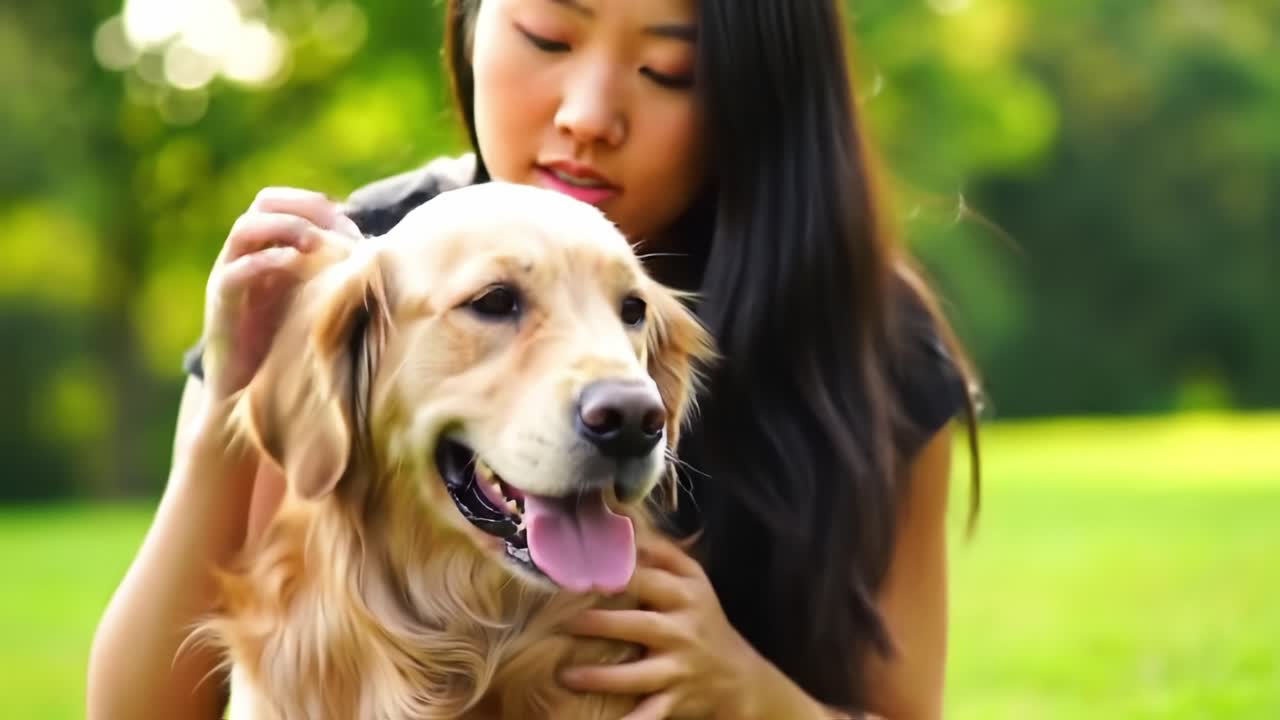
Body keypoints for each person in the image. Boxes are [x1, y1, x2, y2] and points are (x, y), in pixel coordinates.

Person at [87, 1, 982, 718]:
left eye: (670, 70)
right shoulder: (356, 273)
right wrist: (228, 406)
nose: (588, 116)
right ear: (471, 22)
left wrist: (753, 697)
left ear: (755, 99)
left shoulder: (872, 344)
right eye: (549, 34)